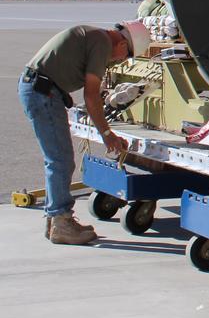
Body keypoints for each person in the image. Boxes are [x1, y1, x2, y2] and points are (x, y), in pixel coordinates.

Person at [18, 20, 149, 244]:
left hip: (41, 90)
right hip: (43, 93)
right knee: (60, 160)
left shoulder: (93, 36)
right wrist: (107, 134)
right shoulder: (102, 42)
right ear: (122, 44)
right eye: (126, 56)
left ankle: (55, 220)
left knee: (57, 160)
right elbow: (91, 95)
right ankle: (61, 222)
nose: (120, 60)